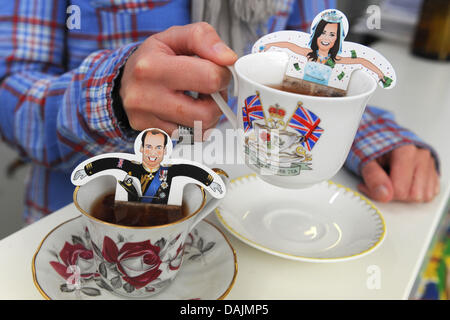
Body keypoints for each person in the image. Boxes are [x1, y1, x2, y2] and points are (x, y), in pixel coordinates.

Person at [0, 0, 440, 224]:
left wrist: (367, 131)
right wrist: (112, 95)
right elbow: (9, 90)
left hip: (256, 223)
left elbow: (316, 72)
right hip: (97, 224)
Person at [72, 129, 223, 204]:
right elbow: (110, 162)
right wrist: (86, 170)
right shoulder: (130, 166)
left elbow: (191, 170)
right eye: (149, 146)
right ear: (141, 148)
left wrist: (211, 182)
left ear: (165, 151)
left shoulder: (170, 170)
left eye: (158, 148)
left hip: (164, 219)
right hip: (128, 216)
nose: (153, 152)